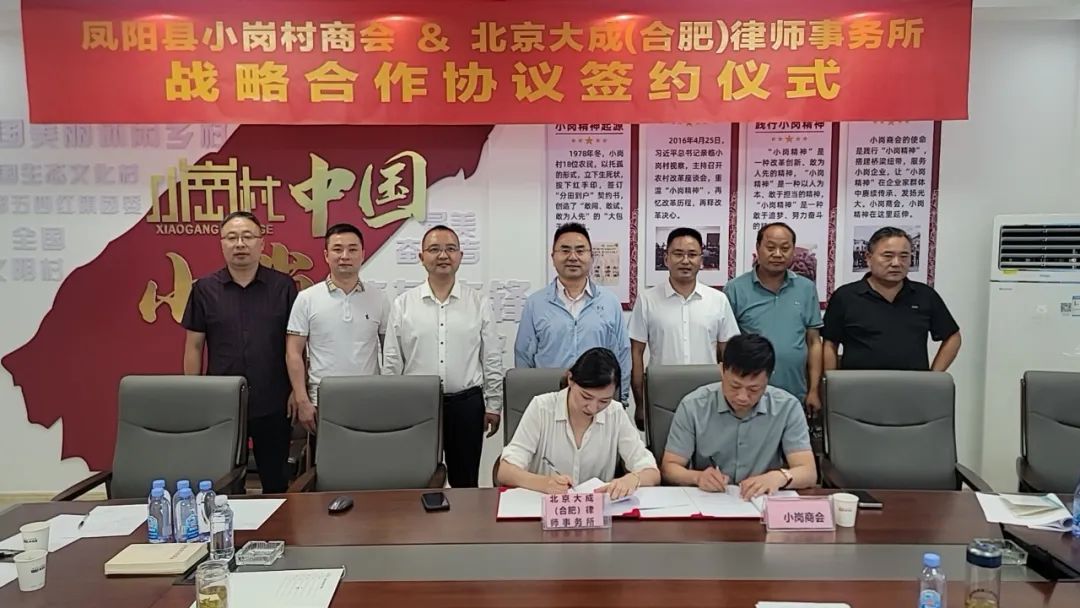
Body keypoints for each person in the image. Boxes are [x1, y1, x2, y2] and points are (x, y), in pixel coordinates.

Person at [182, 211, 297, 494]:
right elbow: (194, 346)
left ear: (261, 243)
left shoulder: (283, 286)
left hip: (274, 398)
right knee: (225, 483)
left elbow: (296, 344)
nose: (240, 244)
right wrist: (193, 393)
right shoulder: (204, 289)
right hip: (222, 401)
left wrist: (298, 389)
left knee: (275, 481)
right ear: (222, 244)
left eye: (247, 236)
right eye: (232, 238)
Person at [382, 225, 504, 488]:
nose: (443, 255)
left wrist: (493, 404)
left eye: (450, 249)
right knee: (418, 480)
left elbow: (492, 358)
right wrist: (392, 408)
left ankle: (464, 518)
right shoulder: (403, 304)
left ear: (460, 256)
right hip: (417, 405)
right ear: (421, 257)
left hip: (466, 404)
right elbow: (392, 361)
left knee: (465, 482)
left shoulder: (478, 303)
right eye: (434, 249)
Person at [660, 334, 817, 499]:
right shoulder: (693, 406)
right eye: (735, 386)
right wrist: (697, 477)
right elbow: (669, 468)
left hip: (762, 501)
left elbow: (808, 472)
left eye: (753, 389)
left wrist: (779, 477)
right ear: (722, 370)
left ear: (769, 378)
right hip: (710, 501)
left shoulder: (787, 407)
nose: (742, 397)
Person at [497, 348, 660, 499]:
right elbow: (505, 471)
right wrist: (545, 483)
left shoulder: (615, 413)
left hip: (597, 513)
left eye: (604, 401)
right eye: (586, 397)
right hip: (544, 510)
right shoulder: (541, 408)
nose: (593, 408)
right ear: (571, 380)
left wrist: (633, 479)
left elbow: (652, 472)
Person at [629, 227, 740, 429]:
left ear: (701, 259)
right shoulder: (647, 300)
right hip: (661, 395)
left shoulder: (718, 300)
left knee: (708, 447)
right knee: (663, 446)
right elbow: (635, 354)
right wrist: (640, 404)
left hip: (709, 395)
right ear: (666, 258)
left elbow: (730, 354)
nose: (685, 261)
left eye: (692, 254)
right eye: (678, 254)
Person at [286, 223, 390, 434]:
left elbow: (391, 351)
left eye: (352, 249)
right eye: (337, 249)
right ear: (326, 255)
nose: (345, 256)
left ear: (362, 254)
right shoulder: (307, 298)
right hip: (322, 401)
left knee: (370, 454)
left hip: (369, 398)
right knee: (326, 456)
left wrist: (389, 394)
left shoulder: (379, 298)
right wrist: (302, 398)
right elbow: (293, 352)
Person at [515, 222, 631, 401]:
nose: (573, 257)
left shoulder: (609, 302)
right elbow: (523, 356)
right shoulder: (535, 304)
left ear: (591, 256)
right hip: (548, 400)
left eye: (580, 250)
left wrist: (621, 399)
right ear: (553, 257)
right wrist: (528, 400)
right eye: (565, 250)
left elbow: (622, 353)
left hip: (597, 401)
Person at [823, 227, 961, 372]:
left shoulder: (925, 295)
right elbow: (830, 343)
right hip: (858, 383)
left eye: (904, 256)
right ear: (868, 258)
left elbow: (953, 336)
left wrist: (934, 377)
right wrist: (830, 382)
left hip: (912, 383)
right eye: (888, 256)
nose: (896, 263)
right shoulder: (845, 296)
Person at [724, 223, 824, 411]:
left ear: (793, 250)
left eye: (785, 248)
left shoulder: (806, 288)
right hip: (749, 394)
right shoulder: (735, 289)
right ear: (758, 248)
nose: (777, 254)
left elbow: (814, 342)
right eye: (770, 247)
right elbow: (726, 344)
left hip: (795, 392)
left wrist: (813, 390)